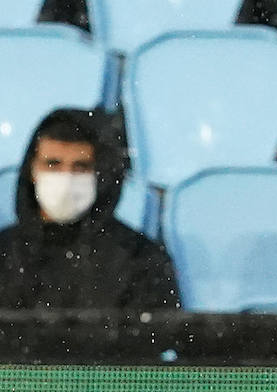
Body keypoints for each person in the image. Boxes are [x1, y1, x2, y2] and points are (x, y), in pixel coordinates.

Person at [0, 109, 179, 311]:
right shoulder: (4, 253)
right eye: (53, 164)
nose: (66, 179)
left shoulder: (140, 258)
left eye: (80, 167)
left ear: (99, 175)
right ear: (31, 170)